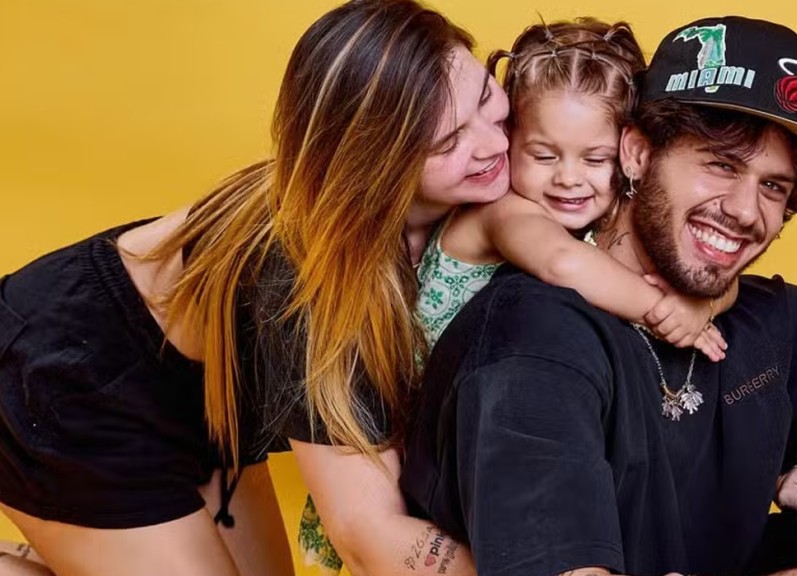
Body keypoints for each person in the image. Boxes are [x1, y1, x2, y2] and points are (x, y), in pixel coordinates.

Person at [400, 15, 797, 576]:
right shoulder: (532, 345)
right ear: (637, 153)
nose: (746, 211)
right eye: (721, 164)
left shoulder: (764, 316)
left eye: (774, 186)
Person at [0, 1, 509, 575]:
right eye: (447, 142)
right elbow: (365, 533)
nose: (493, 143)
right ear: (376, 160)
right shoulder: (308, 275)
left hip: (202, 393)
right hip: (72, 375)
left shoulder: (459, 176)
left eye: (486, 96)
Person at [299, 18, 734, 574]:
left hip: (484, 442)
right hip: (421, 449)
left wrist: (704, 303)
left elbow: (704, 273)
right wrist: (663, 310)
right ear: (514, 140)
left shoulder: (598, 222)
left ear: (629, 153)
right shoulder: (502, 212)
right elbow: (561, 262)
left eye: (593, 159)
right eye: (543, 156)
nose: (569, 179)